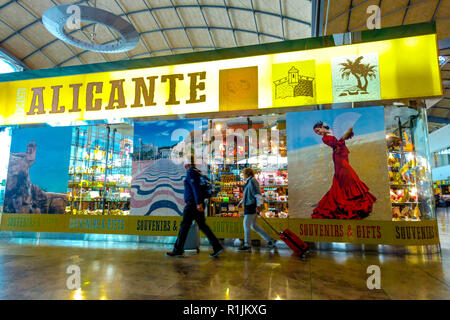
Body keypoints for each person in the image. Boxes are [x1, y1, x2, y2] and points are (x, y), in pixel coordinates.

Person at [311, 121, 376, 219]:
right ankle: (347, 199)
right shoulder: (325, 138)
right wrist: (346, 134)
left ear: (322, 126)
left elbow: (346, 137)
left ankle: (353, 197)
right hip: (338, 159)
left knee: (347, 177)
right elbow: (338, 143)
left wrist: (349, 131)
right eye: (316, 133)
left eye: (318, 130)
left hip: (344, 155)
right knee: (349, 176)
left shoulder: (335, 130)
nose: (318, 133)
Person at [166, 159, 224, 258]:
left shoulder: (191, 172)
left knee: (184, 226)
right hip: (196, 203)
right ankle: (217, 247)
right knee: (202, 226)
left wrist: (198, 203)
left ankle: (178, 250)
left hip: (193, 204)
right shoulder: (196, 171)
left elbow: (195, 187)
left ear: (187, 164)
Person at [237, 167, 276, 252]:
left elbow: (257, 194)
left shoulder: (252, 181)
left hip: (252, 206)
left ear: (247, 174)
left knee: (246, 224)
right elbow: (248, 194)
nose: (242, 176)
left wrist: (258, 206)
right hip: (250, 205)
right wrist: (241, 201)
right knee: (253, 226)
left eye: (243, 174)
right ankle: (270, 240)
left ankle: (247, 245)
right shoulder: (249, 181)